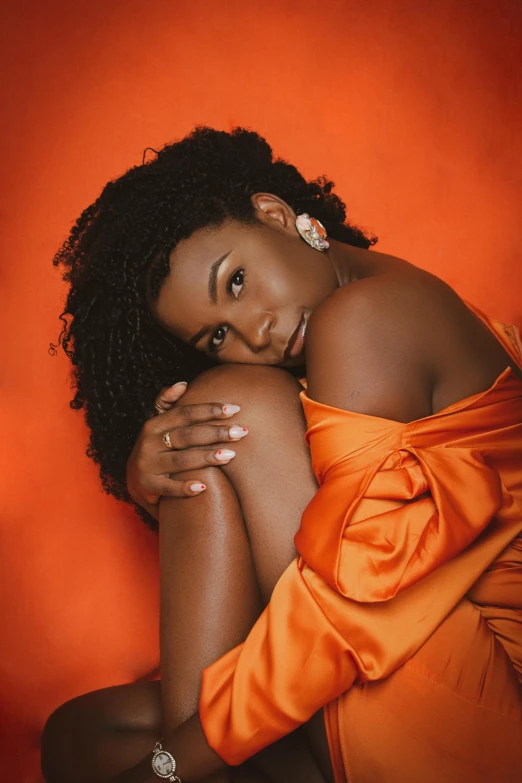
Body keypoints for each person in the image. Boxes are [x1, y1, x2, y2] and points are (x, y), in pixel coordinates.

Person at [42, 127, 522, 783]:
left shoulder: (361, 319)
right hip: (407, 655)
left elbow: (346, 610)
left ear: (274, 214)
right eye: (217, 334)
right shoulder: (392, 297)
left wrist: (167, 768)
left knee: (227, 409)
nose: (256, 331)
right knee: (80, 734)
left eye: (235, 280)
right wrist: (143, 478)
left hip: (485, 711)